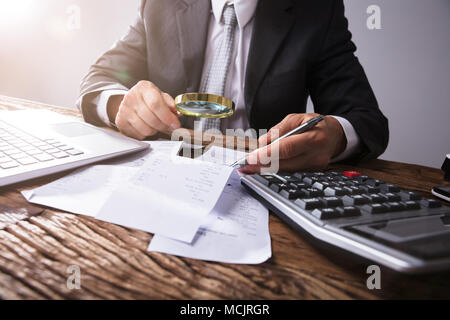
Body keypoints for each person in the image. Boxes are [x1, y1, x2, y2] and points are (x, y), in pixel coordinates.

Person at [76, 0, 389, 173]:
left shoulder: (316, 11)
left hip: (259, 178)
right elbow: (99, 77)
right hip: (163, 171)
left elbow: (366, 119)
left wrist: (334, 136)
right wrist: (121, 104)